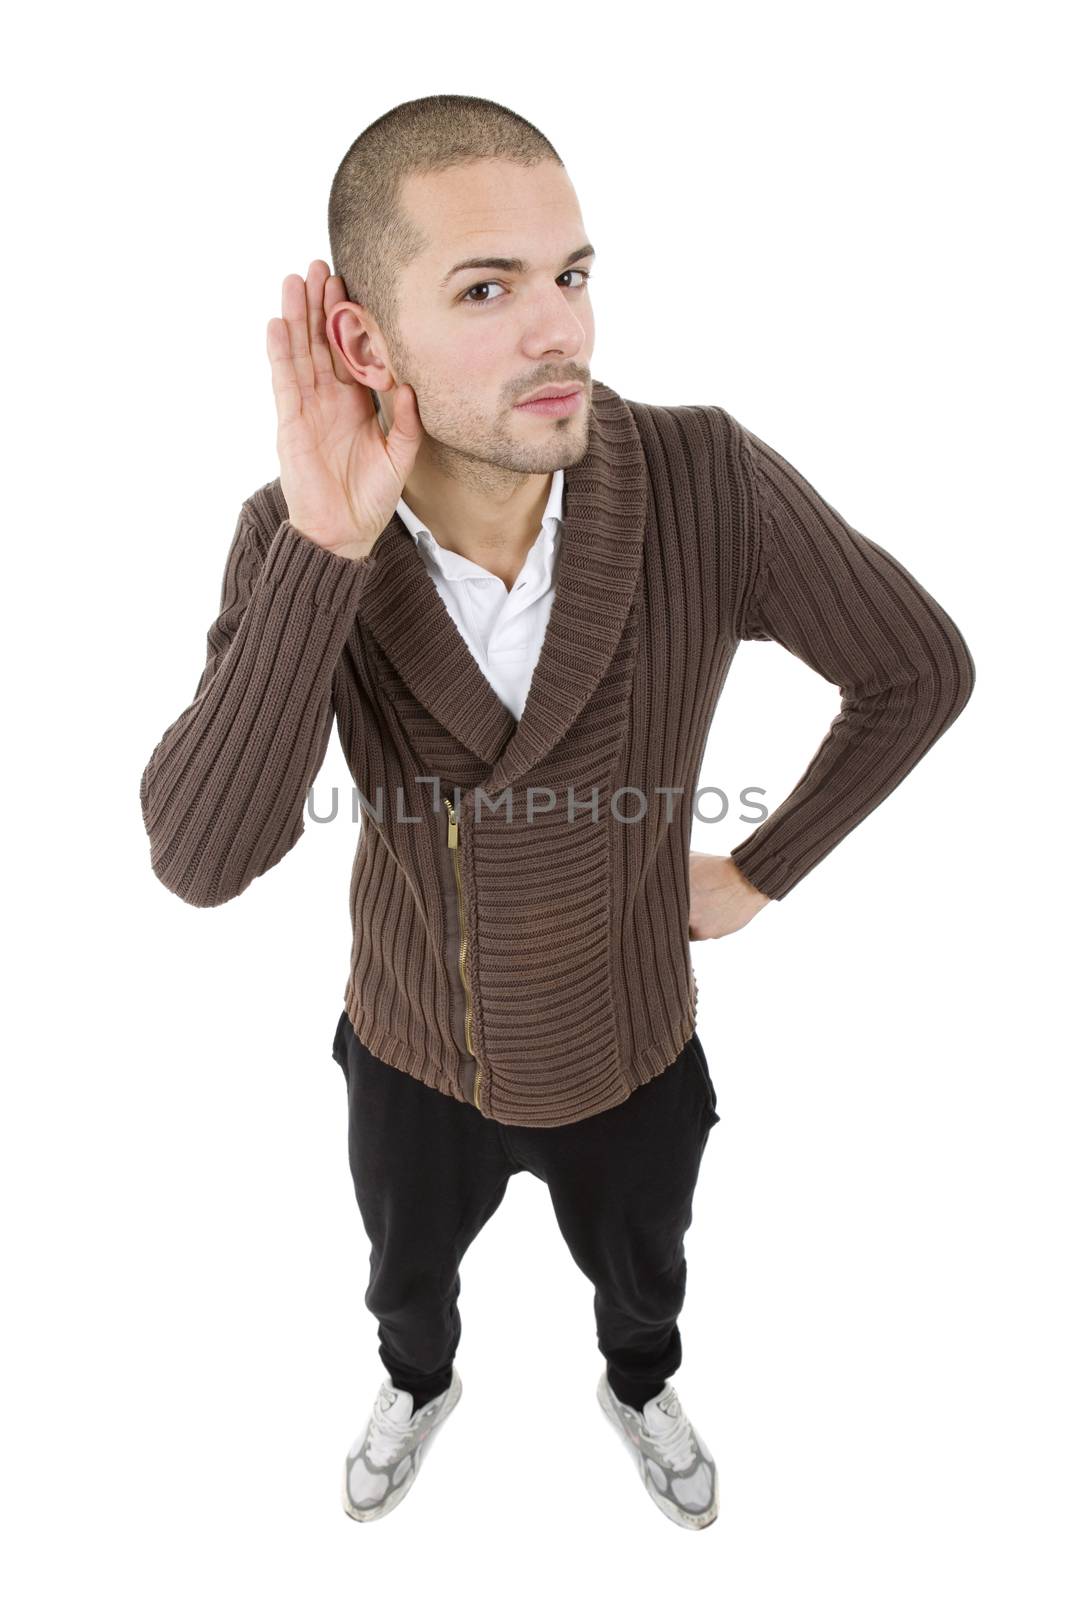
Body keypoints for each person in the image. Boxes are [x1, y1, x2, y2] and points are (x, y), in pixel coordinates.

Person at [139, 94, 976, 1532]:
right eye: (487, 290)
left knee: (646, 1271)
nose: (561, 332)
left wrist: (761, 869)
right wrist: (329, 552)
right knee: (405, 1279)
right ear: (362, 340)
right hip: (412, 1047)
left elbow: (917, 669)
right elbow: (204, 857)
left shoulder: (704, 474)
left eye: (572, 276)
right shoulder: (298, 535)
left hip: (631, 1044)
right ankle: (418, 1381)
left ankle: (640, 1387)